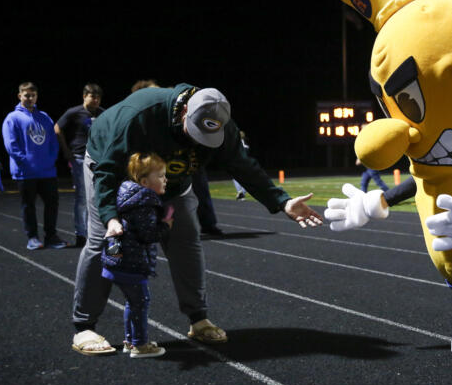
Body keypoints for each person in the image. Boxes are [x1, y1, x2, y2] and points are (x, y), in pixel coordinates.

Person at [71, 83, 323, 355]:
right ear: (183, 114)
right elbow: (107, 170)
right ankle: (84, 326)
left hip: (171, 180)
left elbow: (243, 166)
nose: (199, 142)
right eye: (197, 132)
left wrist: (282, 201)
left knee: (186, 240)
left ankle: (198, 318)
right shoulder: (138, 116)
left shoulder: (222, 126)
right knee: (102, 242)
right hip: (114, 169)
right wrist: (110, 217)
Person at [94, 152, 172, 358]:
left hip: (118, 260)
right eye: (161, 175)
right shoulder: (145, 202)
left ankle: (131, 341)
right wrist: (165, 225)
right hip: (131, 262)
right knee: (141, 301)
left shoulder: (129, 196)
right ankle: (139, 345)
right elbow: (148, 235)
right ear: (145, 181)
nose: (166, 179)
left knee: (132, 301)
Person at [130, 79, 224, 236]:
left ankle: (207, 223)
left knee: (200, 190)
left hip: (188, 156)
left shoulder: (174, 101)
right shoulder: (145, 113)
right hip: (164, 160)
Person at [2, 82, 66, 250]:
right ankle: (32, 238)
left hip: (47, 171)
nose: (30, 98)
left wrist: (51, 160)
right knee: (28, 206)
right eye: (26, 95)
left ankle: (51, 237)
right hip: (26, 172)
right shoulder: (12, 118)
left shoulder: (44, 117)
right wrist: (26, 162)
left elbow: (53, 141)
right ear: (19, 96)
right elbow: (11, 145)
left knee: (52, 204)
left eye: (33, 95)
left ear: (37, 96)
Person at [55, 83, 105, 247]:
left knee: (98, 197)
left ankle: (95, 233)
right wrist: (66, 150)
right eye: (92, 96)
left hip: (98, 158)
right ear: (84, 96)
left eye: (98, 97)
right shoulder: (74, 112)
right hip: (79, 158)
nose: (96, 100)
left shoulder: (102, 113)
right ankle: (81, 234)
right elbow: (57, 128)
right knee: (82, 197)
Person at [232, 131, 249, 200]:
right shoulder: (245, 145)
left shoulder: (236, 144)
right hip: (245, 164)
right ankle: (242, 194)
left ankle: (240, 192)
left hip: (238, 163)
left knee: (236, 179)